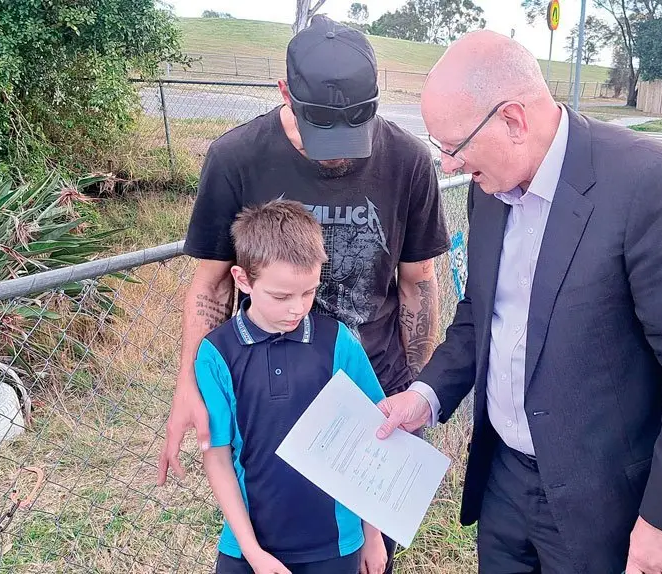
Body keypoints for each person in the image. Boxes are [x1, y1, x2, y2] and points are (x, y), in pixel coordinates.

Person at [376, 31, 662, 574]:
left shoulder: (655, 187)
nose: (449, 165)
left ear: (513, 120)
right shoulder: (491, 187)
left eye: (454, 146)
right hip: (504, 484)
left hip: (605, 504)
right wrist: (425, 396)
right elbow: (481, 314)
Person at [157, 16, 450, 573]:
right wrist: (187, 387)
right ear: (285, 93)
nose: (337, 154)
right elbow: (211, 284)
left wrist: (414, 389)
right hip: (270, 399)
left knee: (364, 554)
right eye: (322, 132)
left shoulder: (408, 160)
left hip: (370, 394)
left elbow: (418, 283)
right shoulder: (236, 158)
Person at [196, 200, 388, 574]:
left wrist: (372, 533)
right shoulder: (217, 353)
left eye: (308, 292)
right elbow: (217, 457)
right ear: (243, 279)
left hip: (336, 544)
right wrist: (253, 553)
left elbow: (370, 437)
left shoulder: (338, 343)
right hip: (250, 548)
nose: (297, 308)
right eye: (281, 296)